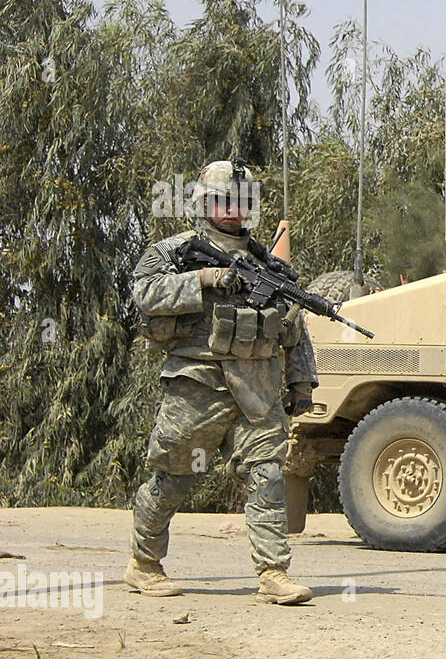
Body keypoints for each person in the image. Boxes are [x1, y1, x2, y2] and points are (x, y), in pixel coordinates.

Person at [124, 159, 318, 605]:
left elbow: (293, 325)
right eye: (223, 201)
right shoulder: (175, 251)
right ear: (204, 203)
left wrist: (301, 382)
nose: (233, 210)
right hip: (198, 382)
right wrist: (204, 279)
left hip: (258, 388)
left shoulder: (267, 263)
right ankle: (144, 564)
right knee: (173, 477)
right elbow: (144, 293)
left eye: (242, 201)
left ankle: (273, 573)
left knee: (268, 474)